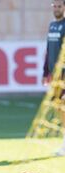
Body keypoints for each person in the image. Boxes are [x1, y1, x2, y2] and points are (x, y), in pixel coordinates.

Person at [42, 0, 65, 156]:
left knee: (62, 107)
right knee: (59, 108)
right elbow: (48, 50)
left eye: (59, 6)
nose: (56, 9)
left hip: (63, 75)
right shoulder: (52, 26)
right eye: (54, 6)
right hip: (55, 77)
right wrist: (45, 72)